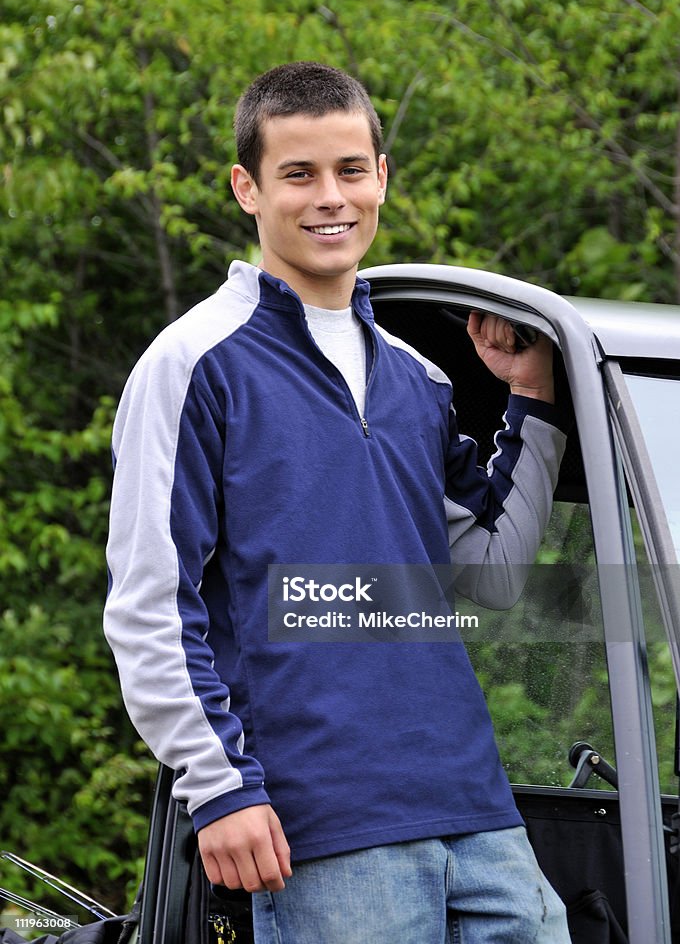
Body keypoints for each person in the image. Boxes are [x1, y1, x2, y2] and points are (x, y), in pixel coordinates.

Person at [104, 61, 571, 943]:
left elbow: (499, 576)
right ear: (248, 188)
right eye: (299, 174)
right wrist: (222, 788)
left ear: (382, 176)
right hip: (321, 826)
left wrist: (535, 399)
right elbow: (149, 609)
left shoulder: (418, 379)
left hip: (474, 808)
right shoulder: (193, 362)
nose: (331, 198)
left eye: (351, 170)